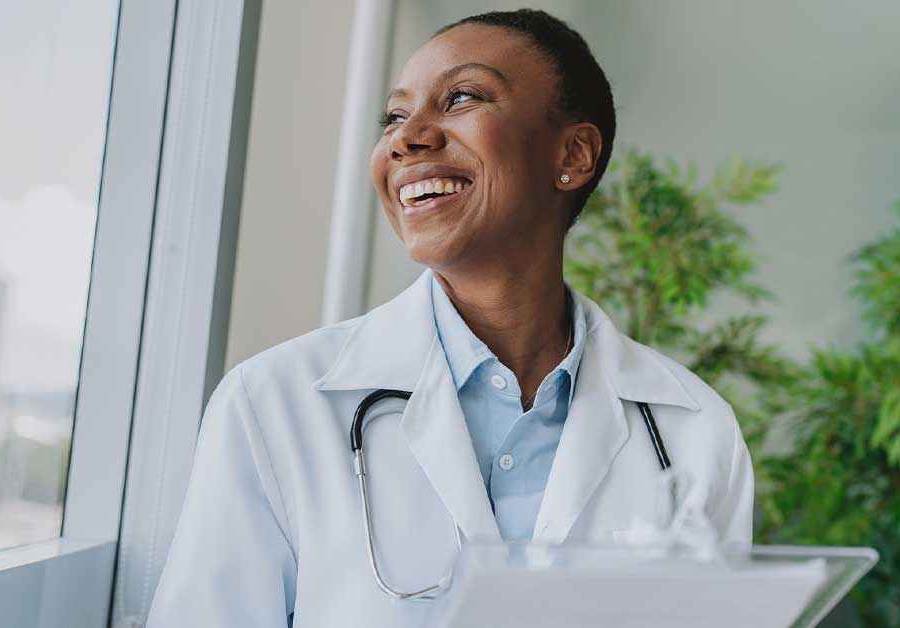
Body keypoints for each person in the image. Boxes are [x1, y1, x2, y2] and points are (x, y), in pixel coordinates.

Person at [146, 9, 753, 627]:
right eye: (394, 117)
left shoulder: (693, 431)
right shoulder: (270, 405)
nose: (406, 139)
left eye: (460, 98)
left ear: (573, 153)